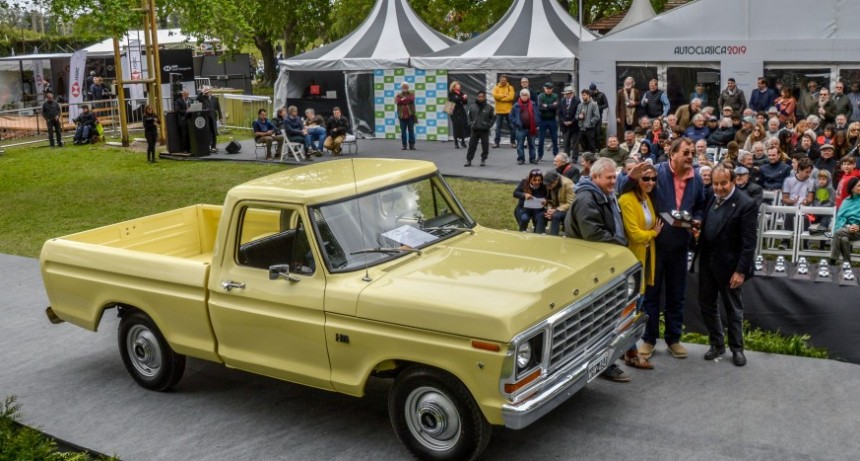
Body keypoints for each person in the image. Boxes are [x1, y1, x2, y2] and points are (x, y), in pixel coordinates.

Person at [621, 138, 706, 361]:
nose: (690, 156)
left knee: (677, 294)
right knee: (652, 294)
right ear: (673, 155)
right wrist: (632, 176)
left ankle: (673, 339)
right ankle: (648, 339)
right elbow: (625, 189)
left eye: (691, 153)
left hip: (680, 245)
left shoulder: (696, 178)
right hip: (655, 246)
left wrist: (696, 220)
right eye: (686, 153)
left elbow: (700, 205)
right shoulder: (655, 172)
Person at [564, 157, 632, 383]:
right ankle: (602, 364)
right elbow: (592, 233)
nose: (614, 181)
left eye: (615, 177)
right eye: (609, 177)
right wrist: (619, 245)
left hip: (600, 264)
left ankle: (603, 361)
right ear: (595, 177)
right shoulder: (587, 198)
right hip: (590, 267)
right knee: (598, 319)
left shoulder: (603, 194)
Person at [693, 165, 758, 367]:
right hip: (707, 263)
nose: (719, 188)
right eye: (715, 183)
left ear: (733, 181)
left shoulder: (746, 204)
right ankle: (716, 343)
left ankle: (737, 349)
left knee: (733, 309)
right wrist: (698, 235)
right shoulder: (711, 198)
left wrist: (740, 271)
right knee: (706, 305)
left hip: (731, 267)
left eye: (723, 183)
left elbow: (749, 243)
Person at [618, 162, 661, 371]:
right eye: (646, 178)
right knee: (632, 307)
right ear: (636, 180)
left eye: (653, 179)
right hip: (632, 260)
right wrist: (653, 234)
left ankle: (628, 349)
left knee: (638, 304)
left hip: (645, 256)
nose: (650, 182)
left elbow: (649, 225)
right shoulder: (627, 200)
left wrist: (649, 234)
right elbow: (635, 234)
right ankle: (631, 352)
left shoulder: (646, 199)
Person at [829, 177, 860, 265]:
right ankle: (848, 264)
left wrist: (858, 226)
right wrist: (849, 227)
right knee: (844, 239)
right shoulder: (847, 201)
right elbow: (840, 218)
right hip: (848, 230)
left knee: (838, 233)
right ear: (852, 188)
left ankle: (832, 260)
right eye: (858, 186)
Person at [464, 91, 494, 167]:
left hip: (484, 130)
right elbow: (468, 117)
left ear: (484, 97)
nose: (481, 98)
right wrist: (471, 124)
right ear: (477, 97)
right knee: (472, 146)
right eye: (479, 96)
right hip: (474, 129)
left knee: (485, 146)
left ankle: (483, 159)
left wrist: (488, 125)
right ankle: (469, 160)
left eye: (482, 96)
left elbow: (493, 118)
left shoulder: (489, 107)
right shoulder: (472, 106)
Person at [510, 89, 539, 165]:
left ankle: (532, 158)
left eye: (525, 95)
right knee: (520, 145)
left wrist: (536, 123)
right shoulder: (516, 105)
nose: (524, 96)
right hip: (520, 128)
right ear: (520, 96)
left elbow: (537, 115)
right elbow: (511, 116)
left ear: (528, 96)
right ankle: (521, 159)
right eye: (522, 95)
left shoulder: (533, 104)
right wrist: (516, 122)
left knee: (532, 144)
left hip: (531, 128)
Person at [543, 170, 575, 236]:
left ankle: (553, 238)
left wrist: (556, 210)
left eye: (550, 185)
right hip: (554, 208)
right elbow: (549, 200)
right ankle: (539, 237)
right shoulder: (549, 183)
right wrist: (549, 209)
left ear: (556, 180)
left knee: (556, 216)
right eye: (547, 185)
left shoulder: (568, 184)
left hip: (566, 210)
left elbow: (571, 203)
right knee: (541, 215)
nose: (548, 187)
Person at [492, 75, 516, 148]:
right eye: (502, 80)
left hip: (509, 111)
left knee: (512, 127)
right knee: (498, 128)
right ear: (500, 80)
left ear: (506, 80)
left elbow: (511, 97)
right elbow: (495, 96)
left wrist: (501, 99)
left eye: (504, 80)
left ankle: (513, 142)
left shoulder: (510, 88)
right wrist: (505, 95)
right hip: (499, 111)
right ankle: (496, 142)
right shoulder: (496, 88)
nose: (503, 81)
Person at [537, 82, 559, 161]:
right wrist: (551, 106)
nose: (549, 90)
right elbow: (540, 107)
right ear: (544, 89)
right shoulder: (540, 96)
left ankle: (556, 155)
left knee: (555, 138)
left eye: (550, 89)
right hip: (543, 120)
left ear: (552, 89)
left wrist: (546, 106)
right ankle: (540, 155)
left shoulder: (555, 96)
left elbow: (556, 107)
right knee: (541, 139)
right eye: (547, 89)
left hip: (552, 120)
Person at [558, 86, 581, 161]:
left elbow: (578, 113)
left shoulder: (577, 101)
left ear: (572, 93)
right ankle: (566, 157)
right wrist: (563, 121)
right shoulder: (562, 101)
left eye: (568, 94)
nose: (566, 95)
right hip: (565, 125)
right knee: (566, 143)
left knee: (575, 142)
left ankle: (574, 157)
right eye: (565, 94)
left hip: (574, 125)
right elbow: (559, 113)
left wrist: (572, 121)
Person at [196, 86, 222, 153]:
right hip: (206, 118)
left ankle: (214, 146)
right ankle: (208, 146)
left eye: (208, 92)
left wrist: (220, 117)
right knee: (208, 132)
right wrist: (202, 92)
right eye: (206, 92)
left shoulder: (215, 99)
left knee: (214, 132)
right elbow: (197, 98)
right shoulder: (203, 98)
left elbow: (218, 108)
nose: (207, 93)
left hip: (213, 118)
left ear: (211, 92)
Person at [577, 89, 601, 154]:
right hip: (582, 128)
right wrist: (579, 117)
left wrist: (590, 122)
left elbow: (597, 116)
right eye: (582, 95)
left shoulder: (593, 105)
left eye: (584, 95)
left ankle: (592, 161)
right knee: (583, 146)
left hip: (590, 129)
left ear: (588, 95)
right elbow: (576, 116)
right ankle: (586, 161)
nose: (583, 97)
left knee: (592, 146)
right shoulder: (580, 105)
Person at [448, 81, 469, 149]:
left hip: (460, 110)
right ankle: (456, 142)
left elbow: (465, 102)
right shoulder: (451, 93)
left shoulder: (460, 93)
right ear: (454, 87)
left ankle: (463, 141)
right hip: (453, 111)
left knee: (462, 125)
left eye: (459, 85)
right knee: (455, 126)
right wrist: (462, 97)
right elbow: (454, 100)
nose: (459, 86)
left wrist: (465, 98)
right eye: (457, 85)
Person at [395, 83, 416, 150]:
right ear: (401, 88)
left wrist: (403, 100)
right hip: (401, 116)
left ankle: (412, 145)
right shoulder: (398, 95)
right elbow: (398, 101)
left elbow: (411, 99)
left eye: (406, 87)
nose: (404, 89)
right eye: (403, 88)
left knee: (411, 131)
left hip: (410, 115)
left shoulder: (411, 94)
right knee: (403, 131)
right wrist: (405, 100)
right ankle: (404, 145)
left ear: (408, 88)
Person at [589, 83, 609, 147]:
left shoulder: (601, 95)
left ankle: (598, 147)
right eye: (590, 91)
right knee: (590, 133)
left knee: (598, 132)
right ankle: (592, 147)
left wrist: (598, 107)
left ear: (595, 90)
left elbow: (606, 105)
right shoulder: (589, 95)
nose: (591, 92)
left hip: (598, 116)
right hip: (590, 116)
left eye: (592, 91)